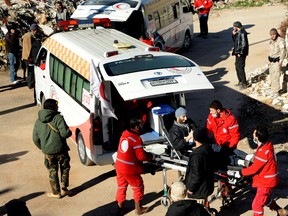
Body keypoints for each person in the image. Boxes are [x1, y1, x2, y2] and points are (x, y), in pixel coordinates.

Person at [234, 126, 288, 216]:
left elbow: (254, 168)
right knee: (264, 199)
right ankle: (280, 211)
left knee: (257, 204)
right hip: (268, 179)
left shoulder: (263, 151)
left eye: (254, 134)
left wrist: (241, 172)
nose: (253, 135)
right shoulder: (267, 145)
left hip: (266, 181)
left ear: (257, 137)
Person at [32, 99, 72, 199]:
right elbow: (65, 133)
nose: (57, 107)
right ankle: (64, 189)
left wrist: (43, 148)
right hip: (61, 150)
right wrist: (69, 132)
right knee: (65, 168)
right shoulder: (58, 118)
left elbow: (35, 138)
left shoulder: (38, 121)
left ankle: (56, 193)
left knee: (52, 171)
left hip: (48, 152)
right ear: (52, 107)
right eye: (56, 105)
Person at [115, 117, 154, 215]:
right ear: (136, 127)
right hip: (129, 168)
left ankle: (120, 209)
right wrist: (151, 156)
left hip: (119, 165)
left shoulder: (124, 134)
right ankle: (139, 209)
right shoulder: (136, 139)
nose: (143, 126)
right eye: (141, 125)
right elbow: (141, 156)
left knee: (121, 187)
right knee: (138, 186)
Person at [206, 100, 251, 168]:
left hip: (229, 144)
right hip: (219, 143)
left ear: (218, 110)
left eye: (212, 110)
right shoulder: (211, 117)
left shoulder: (231, 120)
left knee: (230, 156)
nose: (210, 112)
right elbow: (208, 129)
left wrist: (231, 147)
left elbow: (235, 135)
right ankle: (242, 161)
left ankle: (245, 160)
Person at [184, 128, 214, 200]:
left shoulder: (197, 155)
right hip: (207, 186)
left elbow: (197, 175)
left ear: (195, 139)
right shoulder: (208, 148)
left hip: (199, 190)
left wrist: (191, 189)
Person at [268, 28, 287, 97]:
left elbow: (283, 51)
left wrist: (281, 60)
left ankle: (276, 92)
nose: (272, 36)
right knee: (272, 76)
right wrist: (269, 61)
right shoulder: (271, 41)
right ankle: (273, 89)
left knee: (276, 76)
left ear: (276, 34)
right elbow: (270, 51)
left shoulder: (280, 41)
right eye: (271, 35)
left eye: (273, 34)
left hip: (277, 61)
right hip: (271, 61)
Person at [232, 21, 250, 89]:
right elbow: (235, 41)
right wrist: (233, 35)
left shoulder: (242, 33)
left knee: (240, 67)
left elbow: (244, 44)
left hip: (241, 53)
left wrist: (240, 52)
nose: (233, 28)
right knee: (237, 66)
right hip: (238, 53)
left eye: (234, 26)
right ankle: (240, 81)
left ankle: (244, 83)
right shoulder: (238, 33)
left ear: (236, 27)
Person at [22, 23, 39, 89]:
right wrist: (32, 56)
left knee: (28, 70)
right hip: (28, 56)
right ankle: (30, 84)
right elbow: (30, 48)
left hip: (24, 56)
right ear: (33, 30)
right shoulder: (29, 37)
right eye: (36, 31)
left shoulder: (26, 35)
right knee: (30, 71)